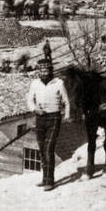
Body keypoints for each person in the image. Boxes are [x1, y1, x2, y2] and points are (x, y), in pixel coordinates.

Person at [27, 59, 71, 190]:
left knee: (48, 150)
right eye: (41, 70)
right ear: (38, 71)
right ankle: (44, 178)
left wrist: (67, 115)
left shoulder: (58, 83)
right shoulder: (35, 83)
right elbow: (29, 99)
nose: (43, 73)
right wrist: (35, 109)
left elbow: (66, 102)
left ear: (50, 70)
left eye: (46, 70)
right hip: (40, 118)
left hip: (54, 118)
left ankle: (50, 181)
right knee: (41, 150)